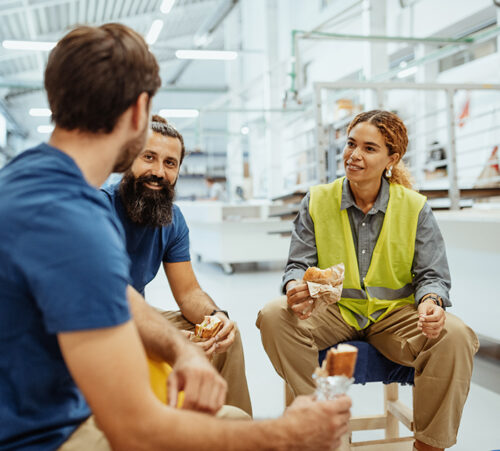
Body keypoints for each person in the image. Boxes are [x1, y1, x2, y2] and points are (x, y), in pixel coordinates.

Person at [0, 23, 352, 451]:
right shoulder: (76, 220)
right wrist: (288, 435)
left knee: (232, 417)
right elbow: (136, 431)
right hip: (45, 436)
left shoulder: (30, 181)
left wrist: (183, 349)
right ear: (138, 111)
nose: (159, 169)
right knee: (243, 432)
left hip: (42, 409)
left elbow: (124, 296)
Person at [257, 110, 479, 451]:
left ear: (392, 158)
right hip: (334, 312)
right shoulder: (317, 201)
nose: (354, 155)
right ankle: (319, 422)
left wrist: (431, 303)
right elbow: (297, 265)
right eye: (350, 144)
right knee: (273, 315)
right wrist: (294, 288)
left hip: (394, 316)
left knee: (456, 335)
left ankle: (430, 445)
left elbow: (432, 275)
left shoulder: (415, 208)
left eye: (369, 148)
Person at [101, 115, 252, 416]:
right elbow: (99, 301)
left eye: (170, 163)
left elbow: (188, 294)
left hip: (139, 316)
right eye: (149, 157)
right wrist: (167, 340)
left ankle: (232, 432)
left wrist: (216, 317)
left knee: (225, 338)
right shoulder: (98, 208)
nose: (158, 172)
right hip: (99, 322)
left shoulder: (173, 219)